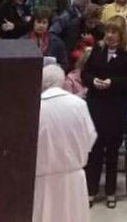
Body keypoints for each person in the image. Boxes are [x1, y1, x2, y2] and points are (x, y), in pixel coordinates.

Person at [83, 16, 127, 209]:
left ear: (121, 35)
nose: (110, 36)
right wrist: (93, 81)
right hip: (97, 107)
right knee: (94, 152)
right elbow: (86, 73)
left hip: (117, 107)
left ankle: (111, 191)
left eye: (114, 32)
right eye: (108, 32)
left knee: (112, 151)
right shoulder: (97, 50)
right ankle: (91, 191)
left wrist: (113, 83)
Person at [33, 65, 97, 222]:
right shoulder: (79, 104)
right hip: (74, 177)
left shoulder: (35, 107)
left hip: (43, 179)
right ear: (62, 81)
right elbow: (90, 137)